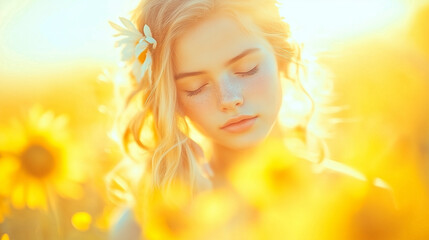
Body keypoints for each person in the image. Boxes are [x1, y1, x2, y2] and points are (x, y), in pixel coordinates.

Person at [106, 0, 396, 239]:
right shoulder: (141, 227)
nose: (229, 98)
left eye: (247, 69)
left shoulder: (360, 203)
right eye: (195, 87)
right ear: (173, 102)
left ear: (281, 58)